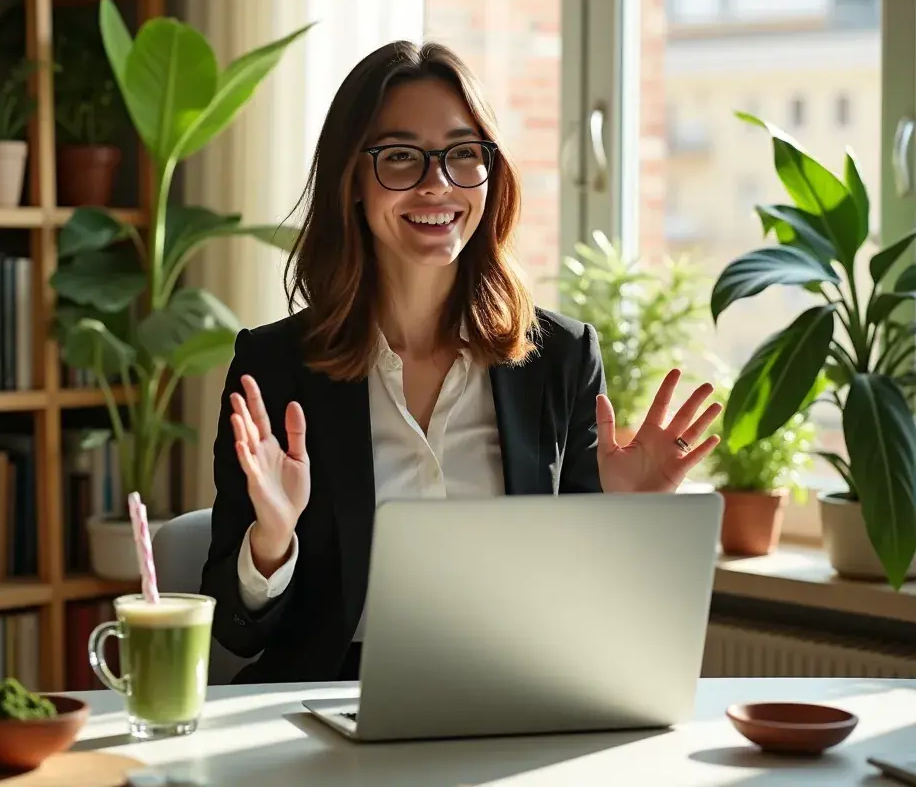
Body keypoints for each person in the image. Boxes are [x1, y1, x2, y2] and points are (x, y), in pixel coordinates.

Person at [200, 41, 722, 685]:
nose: (437, 184)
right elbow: (232, 627)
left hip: (514, 690)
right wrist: (273, 538)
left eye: (462, 155)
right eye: (398, 157)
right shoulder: (274, 367)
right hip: (331, 699)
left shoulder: (559, 359)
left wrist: (628, 522)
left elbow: (596, 624)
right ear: (352, 183)